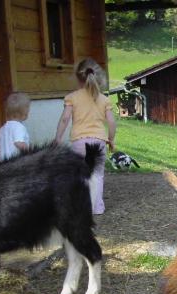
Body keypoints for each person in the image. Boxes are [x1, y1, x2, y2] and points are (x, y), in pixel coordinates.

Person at [55, 58, 116, 215]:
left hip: (79, 142)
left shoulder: (72, 97)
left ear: (78, 77)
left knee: (80, 175)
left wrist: (58, 138)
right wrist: (111, 139)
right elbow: (111, 122)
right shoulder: (104, 99)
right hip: (99, 141)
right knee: (97, 175)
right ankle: (96, 208)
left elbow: (64, 119)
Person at [0, 92, 31, 162]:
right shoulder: (19, 127)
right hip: (16, 162)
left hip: (3, 163)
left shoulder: (3, 128)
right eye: (27, 111)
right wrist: (31, 151)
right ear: (23, 114)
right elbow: (18, 143)